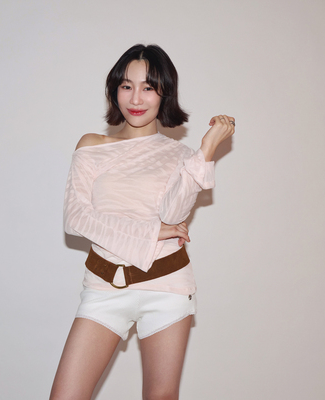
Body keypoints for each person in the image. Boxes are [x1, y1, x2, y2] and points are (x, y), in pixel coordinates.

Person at [50, 44, 235, 400]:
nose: (136, 98)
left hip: (167, 286)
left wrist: (207, 149)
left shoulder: (181, 155)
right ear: (115, 89)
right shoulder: (92, 145)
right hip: (104, 286)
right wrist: (152, 233)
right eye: (127, 86)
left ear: (165, 93)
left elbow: (173, 216)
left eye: (148, 87)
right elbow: (76, 219)